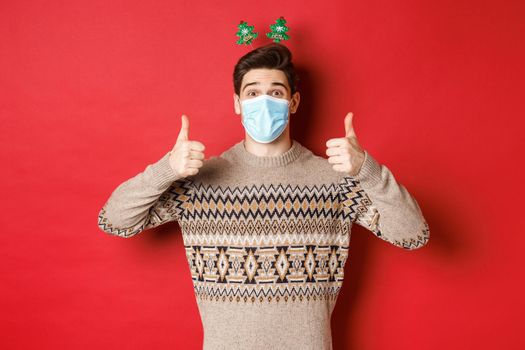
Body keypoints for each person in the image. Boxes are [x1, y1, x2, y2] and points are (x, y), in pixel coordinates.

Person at [98, 42, 430, 350]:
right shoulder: (196, 182)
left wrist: (366, 170)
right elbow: (114, 221)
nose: (264, 102)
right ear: (237, 103)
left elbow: (413, 235)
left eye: (275, 92)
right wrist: (165, 169)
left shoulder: (335, 181)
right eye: (253, 93)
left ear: (293, 102)